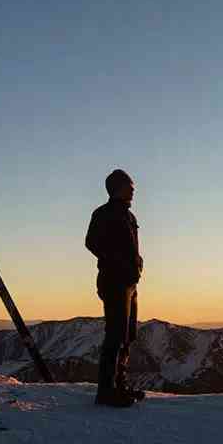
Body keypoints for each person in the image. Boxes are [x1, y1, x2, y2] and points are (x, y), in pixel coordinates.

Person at [85, 169, 145, 408]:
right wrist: (116, 261)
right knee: (115, 335)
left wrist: (137, 264)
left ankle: (119, 385)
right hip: (114, 281)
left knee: (128, 334)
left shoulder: (128, 216)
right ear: (118, 188)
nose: (134, 190)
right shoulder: (104, 213)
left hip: (130, 283)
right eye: (130, 186)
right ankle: (106, 391)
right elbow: (92, 242)